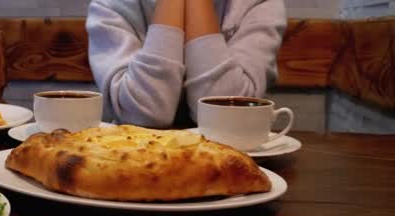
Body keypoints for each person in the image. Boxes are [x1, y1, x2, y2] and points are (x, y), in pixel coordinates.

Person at [86, 0, 287, 128]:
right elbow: (144, 113)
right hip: (130, 162)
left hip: (234, 165)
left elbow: (226, 117)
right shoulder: (110, 6)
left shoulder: (258, 4)